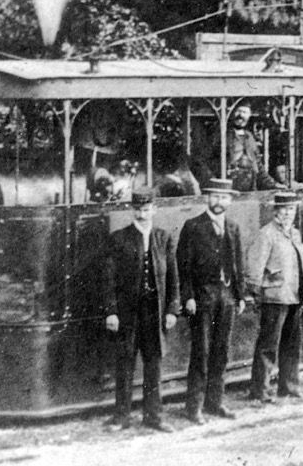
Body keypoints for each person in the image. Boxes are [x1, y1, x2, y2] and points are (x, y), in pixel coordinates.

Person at [104, 187, 180, 432]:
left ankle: (154, 417)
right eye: (138, 209)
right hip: (128, 313)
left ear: (154, 209)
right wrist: (111, 311)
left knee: (154, 364)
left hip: (154, 312)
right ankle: (121, 417)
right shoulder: (118, 238)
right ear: (132, 210)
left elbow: (173, 279)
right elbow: (109, 279)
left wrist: (171, 310)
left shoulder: (163, 238)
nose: (142, 214)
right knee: (125, 364)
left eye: (146, 209)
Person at [177, 178, 246, 425]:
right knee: (201, 351)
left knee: (222, 351)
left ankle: (215, 402)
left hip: (226, 296)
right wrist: (188, 297)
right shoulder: (193, 226)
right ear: (207, 198)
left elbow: (238, 264)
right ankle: (193, 407)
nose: (219, 201)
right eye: (215, 196)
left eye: (224, 197)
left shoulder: (233, 228)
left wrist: (240, 296)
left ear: (230, 200)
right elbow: (182, 268)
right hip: (203, 297)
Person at [246, 192, 303, 403]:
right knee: (268, 346)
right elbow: (254, 267)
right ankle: (260, 391)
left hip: (294, 296)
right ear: (275, 211)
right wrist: (256, 293)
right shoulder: (266, 234)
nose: (287, 214)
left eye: (291, 209)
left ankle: (289, 387)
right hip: (274, 297)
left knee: (292, 345)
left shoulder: (294, 234)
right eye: (283, 209)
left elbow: (300, 267)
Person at [226, 103, 285, 192]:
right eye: (238, 111)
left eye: (244, 112)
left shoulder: (249, 137)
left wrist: (274, 184)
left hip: (250, 187)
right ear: (233, 113)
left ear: (249, 115)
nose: (240, 115)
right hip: (230, 185)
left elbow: (258, 166)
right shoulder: (224, 135)